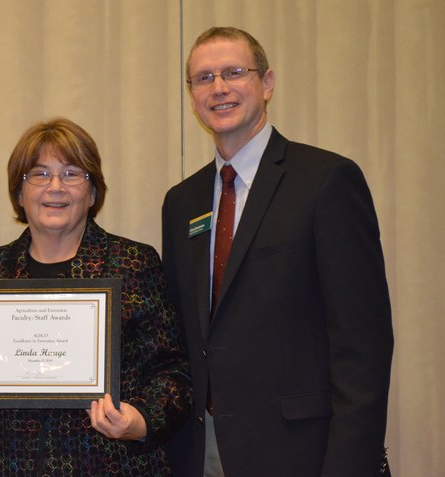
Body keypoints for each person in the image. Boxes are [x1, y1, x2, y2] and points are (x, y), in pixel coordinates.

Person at [161, 26, 394, 477]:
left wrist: (349, 465)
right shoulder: (181, 202)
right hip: (203, 452)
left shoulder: (326, 181)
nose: (219, 88)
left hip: (303, 453)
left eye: (234, 72)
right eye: (203, 78)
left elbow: (362, 346)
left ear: (266, 84)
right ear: (191, 95)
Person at [0, 117, 193, 476]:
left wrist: (140, 420)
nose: (55, 187)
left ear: (92, 192)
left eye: (72, 174)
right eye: (39, 175)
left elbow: (174, 371)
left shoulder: (132, 263)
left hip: (115, 467)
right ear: (19, 192)